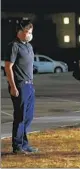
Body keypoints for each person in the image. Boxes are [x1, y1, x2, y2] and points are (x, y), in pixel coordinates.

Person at [4, 19, 38, 154]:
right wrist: (13, 86)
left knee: (28, 117)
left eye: (30, 32)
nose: (29, 34)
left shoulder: (28, 46)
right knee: (20, 117)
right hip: (20, 85)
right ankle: (17, 146)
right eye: (26, 31)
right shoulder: (14, 46)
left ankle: (24, 144)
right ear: (19, 32)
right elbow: (8, 67)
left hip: (30, 85)